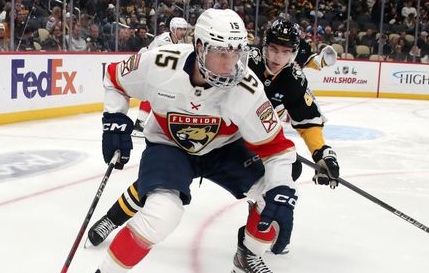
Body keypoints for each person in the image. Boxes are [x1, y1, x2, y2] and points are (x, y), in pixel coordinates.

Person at [77, 8, 300, 273]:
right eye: (220, 52)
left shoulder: (247, 87)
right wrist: (114, 119)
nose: (229, 63)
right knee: (161, 214)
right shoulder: (159, 63)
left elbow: (277, 148)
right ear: (199, 47)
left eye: (236, 52)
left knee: (271, 207)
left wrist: (282, 189)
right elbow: (115, 78)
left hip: (223, 149)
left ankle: (247, 254)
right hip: (170, 146)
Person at [87, 18, 340, 252]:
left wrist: (321, 152)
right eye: (274, 49)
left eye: (286, 52)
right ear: (263, 46)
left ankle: (253, 238)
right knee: (160, 183)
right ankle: (112, 218)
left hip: (234, 141)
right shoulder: (239, 60)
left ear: (295, 54)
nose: (278, 57)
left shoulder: (293, 80)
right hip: (195, 125)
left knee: (281, 174)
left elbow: (307, 121)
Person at [133, 17, 190, 134]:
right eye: (180, 29)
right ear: (173, 29)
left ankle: (153, 124)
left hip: (158, 69)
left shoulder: (180, 42)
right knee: (152, 95)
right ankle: (139, 124)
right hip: (146, 65)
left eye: (184, 29)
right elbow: (151, 57)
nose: (183, 32)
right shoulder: (163, 40)